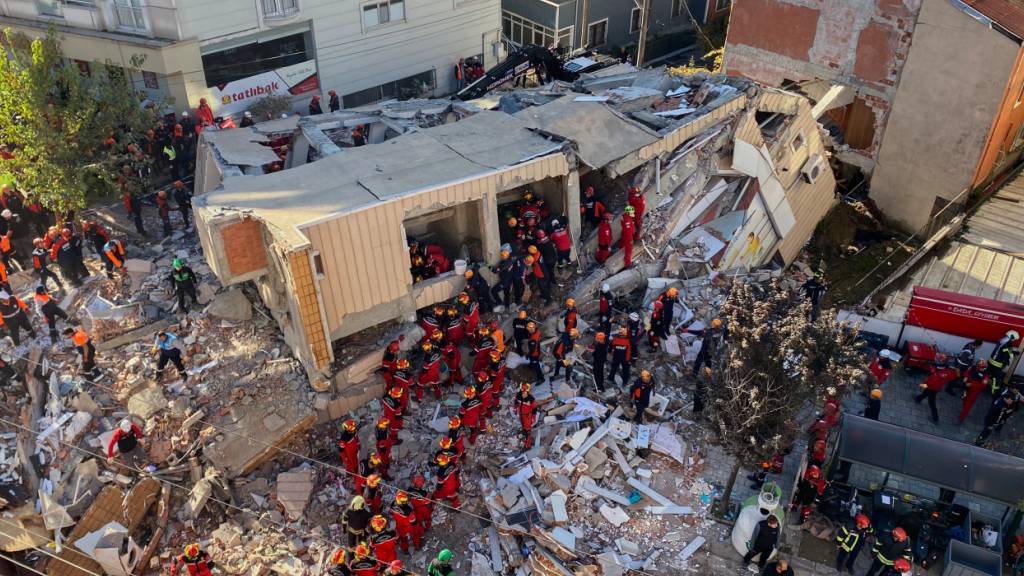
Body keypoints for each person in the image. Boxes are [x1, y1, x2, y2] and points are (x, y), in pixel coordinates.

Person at [915, 359, 959, 423]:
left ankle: (935, 419)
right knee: (926, 393)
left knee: (931, 403)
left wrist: (924, 384)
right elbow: (954, 377)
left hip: (932, 387)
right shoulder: (951, 373)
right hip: (937, 387)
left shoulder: (941, 373)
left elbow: (932, 380)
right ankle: (918, 399)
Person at [514, 382, 537, 449]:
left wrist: (533, 417)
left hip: (527, 416)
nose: (524, 393)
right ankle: (524, 432)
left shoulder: (531, 399)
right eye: (523, 391)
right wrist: (515, 408)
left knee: (528, 430)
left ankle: (528, 445)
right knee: (523, 426)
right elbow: (516, 402)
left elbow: (534, 408)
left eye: (525, 392)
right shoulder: (518, 395)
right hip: (521, 415)